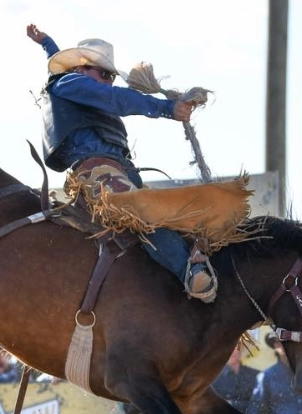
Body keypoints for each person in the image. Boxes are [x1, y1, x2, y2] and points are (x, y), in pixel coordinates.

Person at [25, 24, 215, 303]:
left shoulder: (75, 84)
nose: (108, 81)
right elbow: (111, 98)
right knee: (143, 213)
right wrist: (166, 108)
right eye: (104, 74)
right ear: (81, 70)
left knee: (164, 214)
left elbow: (103, 93)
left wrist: (47, 43)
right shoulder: (69, 84)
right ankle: (191, 271)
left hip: (118, 171)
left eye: (111, 76)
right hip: (95, 172)